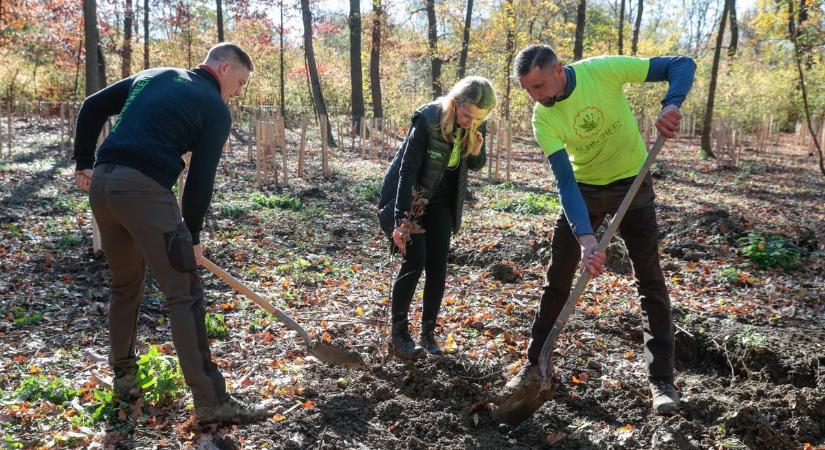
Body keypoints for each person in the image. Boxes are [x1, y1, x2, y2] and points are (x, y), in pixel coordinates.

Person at [72, 43, 271, 426]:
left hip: (105, 186)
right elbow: (200, 178)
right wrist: (192, 236)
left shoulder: (154, 75)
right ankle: (212, 402)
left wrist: (84, 161)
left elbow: (92, 105)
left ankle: (125, 381)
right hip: (144, 191)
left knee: (125, 286)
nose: (238, 91)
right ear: (224, 68)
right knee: (184, 293)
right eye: (241, 82)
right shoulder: (215, 108)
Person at [506, 44, 695, 414]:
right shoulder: (542, 117)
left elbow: (681, 65)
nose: (535, 96)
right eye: (528, 89)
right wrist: (585, 238)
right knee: (558, 278)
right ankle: (535, 365)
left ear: (559, 70)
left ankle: (661, 381)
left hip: (633, 182)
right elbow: (564, 180)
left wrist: (671, 104)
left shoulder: (604, 70)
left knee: (650, 280)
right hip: (584, 191)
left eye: (539, 86)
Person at [377, 77, 496, 359]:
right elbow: (406, 172)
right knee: (414, 261)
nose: (470, 122)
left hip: (443, 200)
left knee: (438, 265)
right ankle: (399, 334)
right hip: (414, 198)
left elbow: (476, 163)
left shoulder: (477, 123)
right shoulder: (428, 119)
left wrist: (477, 150)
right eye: (466, 115)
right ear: (455, 102)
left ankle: (428, 334)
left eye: (477, 119)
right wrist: (400, 219)